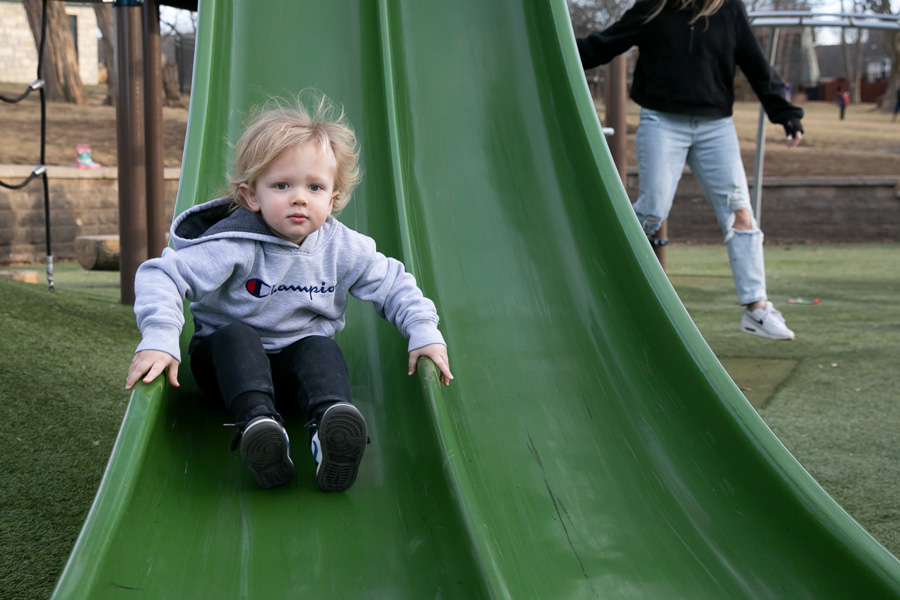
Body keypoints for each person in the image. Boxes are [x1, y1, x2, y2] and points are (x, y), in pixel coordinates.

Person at [125, 93, 453, 492]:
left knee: (318, 345)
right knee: (236, 335)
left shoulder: (342, 246)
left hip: (296, 377)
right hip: (228, 372)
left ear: (332, 200)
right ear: (251, 196)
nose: (299, 197)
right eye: (282, 184)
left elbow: (393, 282)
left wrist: (423, 328)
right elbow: (162, 274)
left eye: (314, 187)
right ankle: (259, 429)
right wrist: (159, 338)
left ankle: (330, 426)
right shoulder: (235, 243)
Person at [576, 0, 802, 340]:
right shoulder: (654, 6)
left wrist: (785, 113)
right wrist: (557, 51)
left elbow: (756, 64)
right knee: (651, 212)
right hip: (662, 122)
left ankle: (756, 309)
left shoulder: (729, 9)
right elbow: (605, 43)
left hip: (716, 127)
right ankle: (597, 276)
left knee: (741, 212)